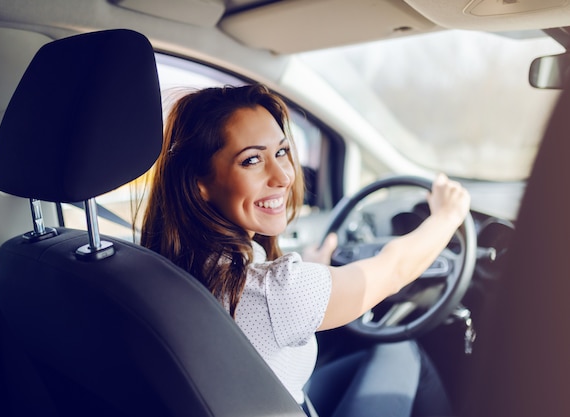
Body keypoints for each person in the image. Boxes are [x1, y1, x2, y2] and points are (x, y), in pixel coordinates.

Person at [139, 84, 470, 416]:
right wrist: (447, 216)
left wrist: (315, 272)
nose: (282, 176)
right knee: (401, 352)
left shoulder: (163, 269)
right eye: (252, 160)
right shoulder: (276, 290)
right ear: (201, 184)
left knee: (378, 356)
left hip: (275, 401)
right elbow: (395, 270)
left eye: (282, 152)